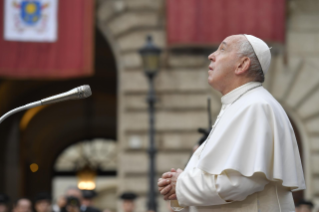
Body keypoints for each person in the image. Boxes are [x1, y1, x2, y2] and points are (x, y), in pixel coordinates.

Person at [157, 34, 306, 212]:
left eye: (222, 49)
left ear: (242, 65)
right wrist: (176, 184)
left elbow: (238, 181)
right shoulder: (238, 105)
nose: (211, 55)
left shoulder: (256, 106)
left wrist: (181, 184)